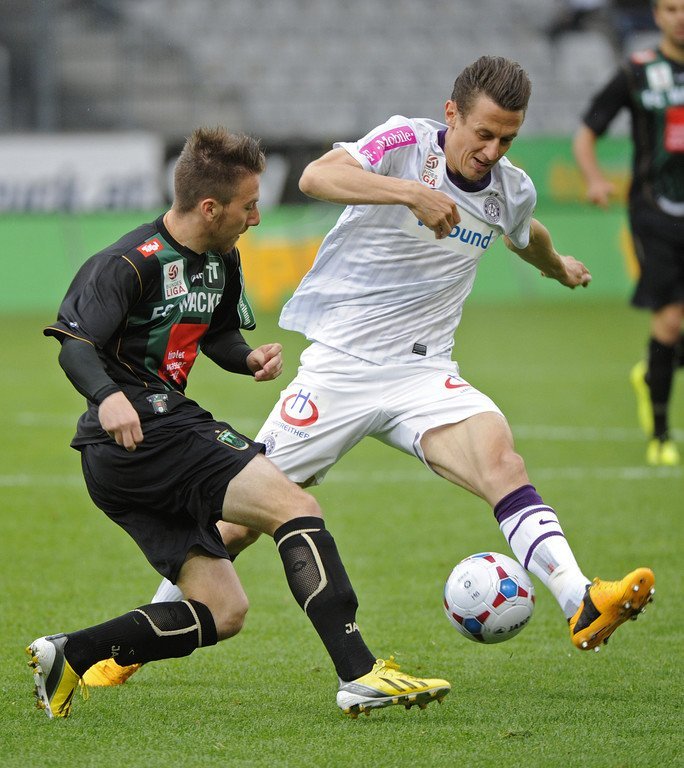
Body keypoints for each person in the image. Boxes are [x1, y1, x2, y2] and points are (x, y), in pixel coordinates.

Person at [85, 57, 656, 692]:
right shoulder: (405, 143)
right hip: (340, 370)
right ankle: (130, 648)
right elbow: (317, 176)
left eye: (507, 139)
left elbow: (526, 234)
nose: (492, 151)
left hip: (423, 373)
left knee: (503, 464)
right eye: (483, 134)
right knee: (238, 523)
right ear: (452, 114)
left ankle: (581, 599)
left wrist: (560, 267)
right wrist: (410, 192)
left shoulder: (509, 188)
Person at [25, 126, 450, 720]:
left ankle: (71, 653)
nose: (256, 217)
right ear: (209, 207)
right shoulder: (127, 263)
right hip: (142, 430)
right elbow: (74, 344)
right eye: (248, 206)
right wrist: (107, 396)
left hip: (135, 451)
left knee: (224, 612)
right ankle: (359, 673)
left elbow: (219, 334)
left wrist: (247, 358)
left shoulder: (222, 258)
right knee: (294, 507)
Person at [573, 0, 684, 467]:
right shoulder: (637, 72)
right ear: (657, 16)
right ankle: (660, 435)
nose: (680, 17)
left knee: (672, 335)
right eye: (672, 9)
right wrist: (595, 179)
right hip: (654, 212)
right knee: (671, 321)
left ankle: (654, 369)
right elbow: (586, 132)